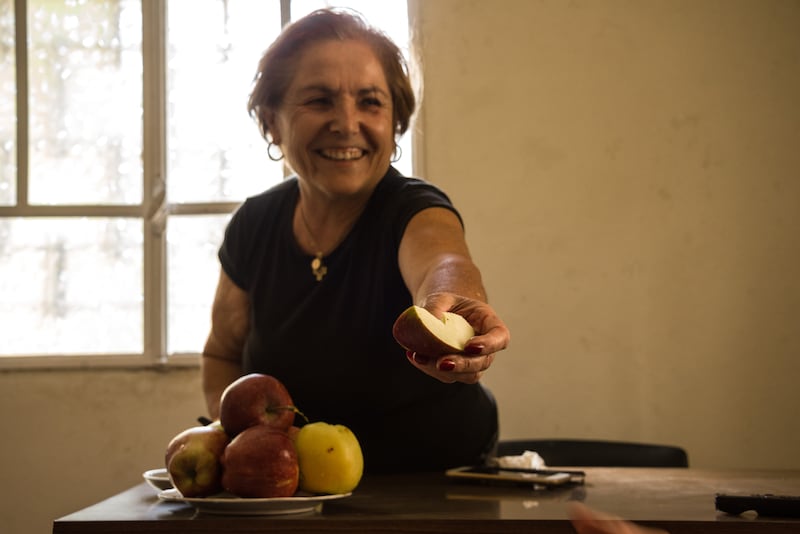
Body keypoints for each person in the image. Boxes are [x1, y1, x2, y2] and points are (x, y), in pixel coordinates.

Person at [201, 8, 510, 474]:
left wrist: (454, 306)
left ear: (396, 121)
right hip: (300, 492)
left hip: (436, 484)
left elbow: (442, 261)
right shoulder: (255, 224)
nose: (347, 123)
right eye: (319, 101)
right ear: (271, 121)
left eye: (370, 102)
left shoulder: (413, 207)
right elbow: (222, 353)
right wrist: (244, 445)